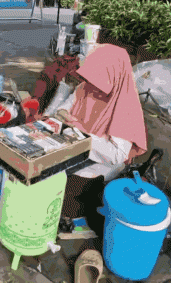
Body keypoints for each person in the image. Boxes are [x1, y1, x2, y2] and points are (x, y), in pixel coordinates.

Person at [54, 44, 148, 234]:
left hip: (99, 164)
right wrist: (64, 114)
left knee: (61, 198)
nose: (92, 84)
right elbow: (63, 108)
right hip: (76, 149)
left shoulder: (125, 106)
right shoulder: (85, 88)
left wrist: (83, 136)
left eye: (98, 78)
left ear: (112, 76)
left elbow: (116, 155)